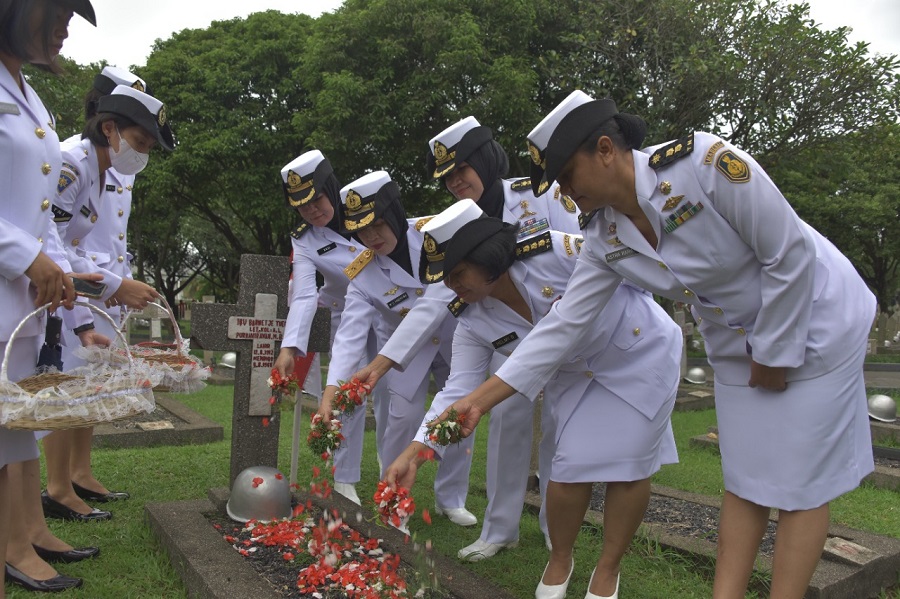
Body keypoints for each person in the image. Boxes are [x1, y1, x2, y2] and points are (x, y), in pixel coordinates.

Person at [443, 90, 877, 599]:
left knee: (802, 485)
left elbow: (788, 253)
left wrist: (775, 357)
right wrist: (476, 400)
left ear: (605, 149)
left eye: (566, 176)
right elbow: (562, 326)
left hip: (814, 319)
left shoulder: (704, 166)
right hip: (737, 346)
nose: (562, 192)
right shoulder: (604, 235)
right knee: (745, 478)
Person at [386, 199, 681, 599]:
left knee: (631, 468)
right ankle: (561, 558)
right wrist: (416, 451)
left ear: (485, 256)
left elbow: (632, 274)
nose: (453, 286)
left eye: (458, 273)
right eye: (444, 279)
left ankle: (608, 568)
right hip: (575, 378)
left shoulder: (556, 251)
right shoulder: (471, 319)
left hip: (639, 352)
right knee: (566, 467)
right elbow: (458, 390)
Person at [353, 115, 581, 558]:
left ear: (485, 160)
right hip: (499, 335)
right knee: (508, 422)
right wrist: (382, 364)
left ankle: (557, 523)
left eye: (462, 170)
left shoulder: (540, 194)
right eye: (447, 177)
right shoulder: (450, 225)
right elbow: (438, 300)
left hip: (566, 325)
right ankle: (499, 528)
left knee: (562, 426)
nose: (456, 182)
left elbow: (577, 254)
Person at [0, 0, 99, 593]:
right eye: (58, 11)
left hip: (17, 306)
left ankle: (19, 545)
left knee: (11, 433)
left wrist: (57, 273)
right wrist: (26, 258)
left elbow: (43, 223)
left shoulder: (27, 93)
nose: (64, 28)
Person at [318, 171, 477, 528]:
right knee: (400, 421)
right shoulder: (362, 271)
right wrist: (332, 389)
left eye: (376, 225)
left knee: (460, 419)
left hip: (457, 339)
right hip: (403, 357)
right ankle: (394, 506)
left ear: (393, 212)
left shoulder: (434, 233)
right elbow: (349, 334)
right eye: (360, 230)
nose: (370, 237)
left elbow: (437, 301)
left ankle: (451, 498)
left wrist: (377, 364)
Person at [42, 82, 170, 522]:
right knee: (63, 393)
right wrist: (109, 292)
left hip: (77, 298)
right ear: (110, 127)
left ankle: (71, 480)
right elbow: (51, 247)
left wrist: (116, 286)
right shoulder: (72, 164)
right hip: (50, 298)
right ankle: (58, 488)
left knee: (81, 391)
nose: (141, 154)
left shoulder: (98, 169)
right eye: (139, 142)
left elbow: (72, 250)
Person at [272, 149, 389, 505]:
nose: (311, 210)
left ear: (330, 187)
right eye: (301, 205)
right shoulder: (305, 237)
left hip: (387, 312)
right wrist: (288, 348)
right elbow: (306, 295)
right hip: (346, 315)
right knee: (347, 395)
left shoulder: (361, 207)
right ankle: (345, 478)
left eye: (316, 199)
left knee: (391, 395)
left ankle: (391, 472)